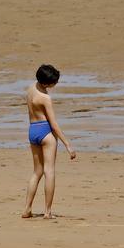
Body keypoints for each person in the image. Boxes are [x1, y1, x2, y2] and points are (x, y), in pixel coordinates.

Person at [23, 64, 76, 220]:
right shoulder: (45, 98)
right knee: (49, 171)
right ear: (47, 83)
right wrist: (67, 145)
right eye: (54, 82)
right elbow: (54, 124)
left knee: (36, 172)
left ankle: (27, 209)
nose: (55, 85)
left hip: (32, 130)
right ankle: (47, 211)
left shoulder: (31, 88)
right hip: (45, 132)